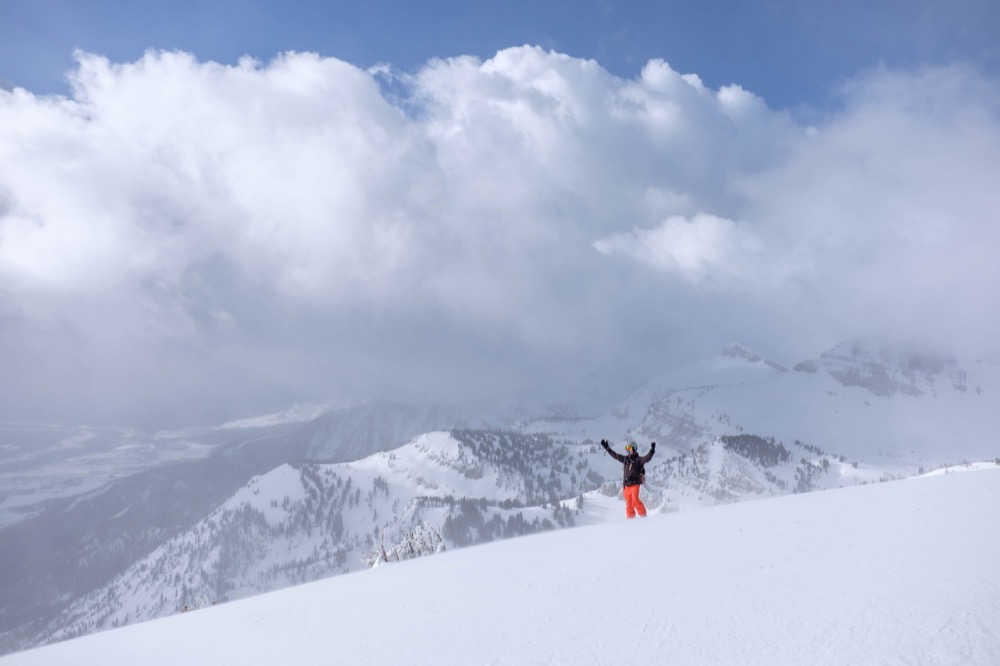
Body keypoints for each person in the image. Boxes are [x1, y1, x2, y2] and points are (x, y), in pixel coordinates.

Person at [601, 439, 655, 519]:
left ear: (634, 449)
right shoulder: (625, 459)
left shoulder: (639, 460)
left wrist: (652, 450)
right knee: (629, 504)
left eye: (630, 448)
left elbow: (647, 458)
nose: (628, 451)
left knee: (635, 501)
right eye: (627, 449)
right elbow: (615, 455)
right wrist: (607, 448)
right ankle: (630, 520)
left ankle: (643, 516)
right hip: (626, 486)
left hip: (634, 485)